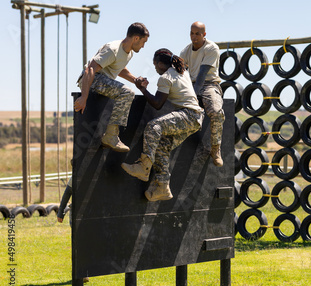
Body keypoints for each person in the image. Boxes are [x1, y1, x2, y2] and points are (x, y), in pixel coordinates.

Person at [121, 48, 204, 201]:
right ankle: (163, 187)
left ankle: (144, 167)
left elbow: (158, 104)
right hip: (196, 118)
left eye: (155, 65)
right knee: (161, 147)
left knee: (154, 127)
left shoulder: (165, 77)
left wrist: (143, 89)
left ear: (160, 64)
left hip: (189, 114)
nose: (155, 68)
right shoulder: (181, 71)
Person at [74, 22, 150, 152]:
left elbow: (118, 68)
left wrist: (135, 80)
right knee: (127, 93)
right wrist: (84, 97)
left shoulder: (128, 53)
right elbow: (90, 69)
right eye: (143, 42)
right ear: (136, 38)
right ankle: (111, 136)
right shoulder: (112, 49)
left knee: (126, 92)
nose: (143, 46)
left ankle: (110, 136)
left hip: (103, 81)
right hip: (92, 79)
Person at [180, 21, 224, 167]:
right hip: (190, 84)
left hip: (208, 84)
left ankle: (216, 149)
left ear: (204, 34)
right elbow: (181, 72)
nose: (194, 37)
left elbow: (202, 74)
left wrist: (194, 96)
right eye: (192, 33)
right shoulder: (185, 51)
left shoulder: (211, 48)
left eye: (197, 34)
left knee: (216, 112)